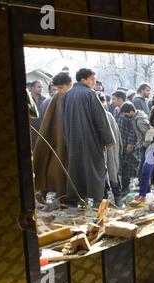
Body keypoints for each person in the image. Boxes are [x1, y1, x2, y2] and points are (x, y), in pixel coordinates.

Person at [60, 68, 115, 206]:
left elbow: (63, 120)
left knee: (77, 169)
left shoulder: (67, 95)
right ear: (83, 80)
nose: (94, 82)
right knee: (95, 168)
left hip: (73, 140)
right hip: (91, 140)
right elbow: (101, 119)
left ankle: (78, 199)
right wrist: (108, 139)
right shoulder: (90, 94)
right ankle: (96, 201)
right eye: (92, 79)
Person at [33, 72, 72, 202]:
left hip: (63, 141)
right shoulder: (59, 98)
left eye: (61, 88)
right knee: (57, 167)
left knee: (56, 167)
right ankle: (54, 194)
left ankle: (52, 193)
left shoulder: (69, 96)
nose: (59, 91)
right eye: (57, 88)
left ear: (70, 85)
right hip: (58, 140)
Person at [98, 92, 124, 207]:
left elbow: (117, 136)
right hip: (103, 154)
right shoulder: (105, 115)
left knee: (112, 176)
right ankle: (105, 204)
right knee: (107, 177)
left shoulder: (108, 116)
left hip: (110, 152)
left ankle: (117, 200)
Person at [114, 91, 139, 195]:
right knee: (120, 166)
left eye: (114, 99)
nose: (112, 101)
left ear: (120, 99)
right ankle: (121, 188)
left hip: (127, 143)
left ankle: (126, 188)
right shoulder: (117, 111)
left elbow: (133, 128)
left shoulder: (129, 109)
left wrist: (130, 143)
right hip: (119, 142)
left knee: (127, 166)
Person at [121, 101, 150, 181]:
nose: (125, 116)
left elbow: (149, 135)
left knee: (141, 171)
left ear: (131, 112)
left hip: (146, 148)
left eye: (126, 114)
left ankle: (145, 190)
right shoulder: (137, 116)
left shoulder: (140, 121)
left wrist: (144, 145)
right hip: (143, 146)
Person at [29, 80, 47, 148]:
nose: (41, 89)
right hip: (32, 128)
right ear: (32, 87)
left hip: (42, 127)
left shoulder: (44, 99)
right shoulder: (27, 99)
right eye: (38, 87)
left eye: (42, 87)